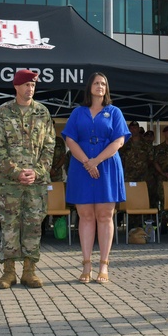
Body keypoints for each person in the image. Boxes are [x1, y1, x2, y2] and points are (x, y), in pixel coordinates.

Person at [0, 69, 56, 289]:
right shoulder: (3, 113)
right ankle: (8, 272)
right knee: (9, 225)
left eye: (33, 85)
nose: (30, 89)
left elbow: (49, 147)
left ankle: (29, 271)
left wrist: (36, 172)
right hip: (9, 183)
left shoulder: (43, 112)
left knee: (33, 226)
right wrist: (15, 171)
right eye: (27, 85)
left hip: (35, 183)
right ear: (16, 87)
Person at [64, 72, 129, 283]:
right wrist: (86, 162)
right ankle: (86, 264)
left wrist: (96, 161)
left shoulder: (115, 111)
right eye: (96, 83)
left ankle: (104, 265)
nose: (100, 86)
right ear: (89, 87)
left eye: (103, 83)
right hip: (81, 167)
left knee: (105, 216)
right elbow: (70, 140)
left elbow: (119, 141)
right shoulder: (77, 112)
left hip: (107, 167)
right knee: (86, 216)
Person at [153, 125, 168, 207]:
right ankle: (164, 219)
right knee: (163, 199)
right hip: (163, 177)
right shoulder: (159, 148)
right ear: (164, 133)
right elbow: (155, 162)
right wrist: (163, 173)